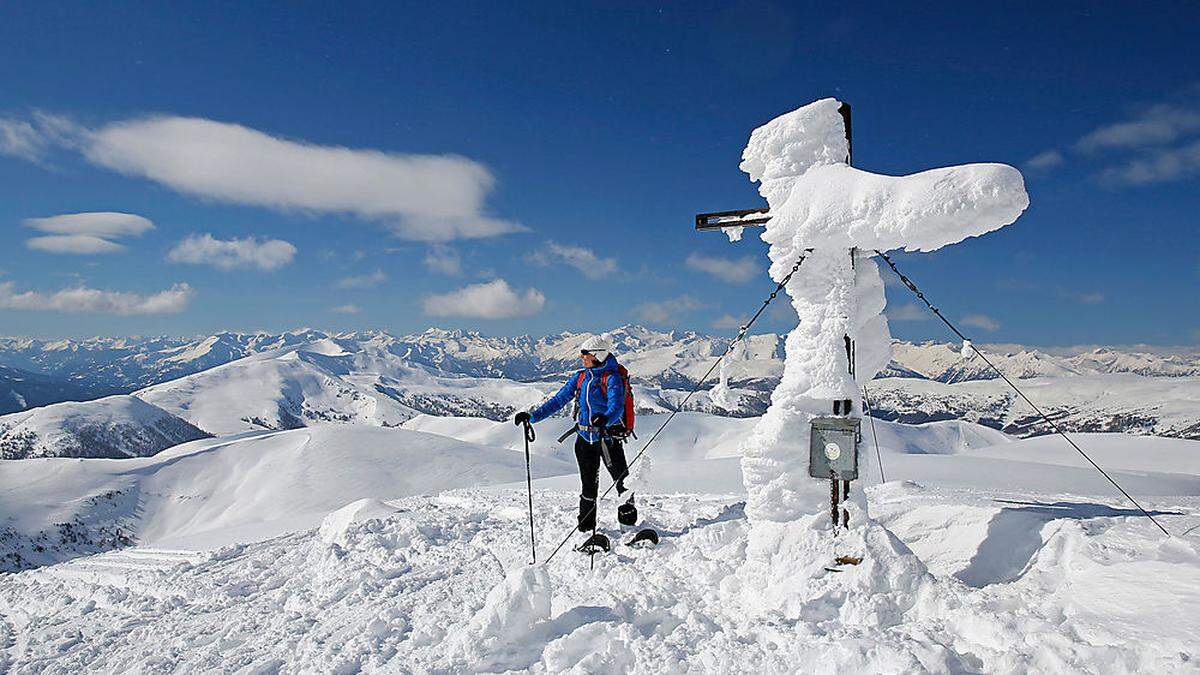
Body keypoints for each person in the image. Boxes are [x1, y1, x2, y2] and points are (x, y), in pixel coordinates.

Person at [514, 336, 636, 533]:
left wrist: (605, 419)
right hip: (584, 440)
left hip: (607, 440)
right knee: (588, 488)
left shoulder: (612, 378)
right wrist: (532, 417)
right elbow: (559, 400)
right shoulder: (581, 377)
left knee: (623, 483)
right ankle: (586, 531)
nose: (581, 357)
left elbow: (617, 407)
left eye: (585, 354)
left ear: (597, 355)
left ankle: (628, 527)